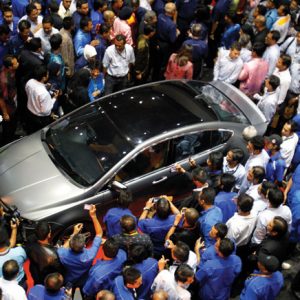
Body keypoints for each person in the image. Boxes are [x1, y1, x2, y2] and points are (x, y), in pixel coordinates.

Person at [57, 204, 103, 288]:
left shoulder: (61, 253)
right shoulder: (90, 255)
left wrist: (74, 233)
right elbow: (99, 233)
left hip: (69, 280)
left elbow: (64, 246)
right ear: (84, 245)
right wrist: (93, 216)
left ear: (71, 245)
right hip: (85, 279)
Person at [25, 65, 58, 133]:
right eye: (47, 74)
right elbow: (46, 111)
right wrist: (54, 98)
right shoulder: (44, 93)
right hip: (40, 118)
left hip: (29, 113)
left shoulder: (29, 82)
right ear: (43, 78)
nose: (48, 75)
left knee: (31, 131)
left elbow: (29, 92)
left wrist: (44, 86)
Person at [0, 54, 19, 145]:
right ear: (10, 67)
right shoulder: (4, 81)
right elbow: (1, 99)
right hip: (8, 108)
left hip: (13, 103)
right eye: (16, 63)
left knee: (13, 124)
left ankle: (11, 136)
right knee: (8, 127)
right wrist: (5, 113)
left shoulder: (12, 71)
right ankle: (6, 143)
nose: (18, 64)